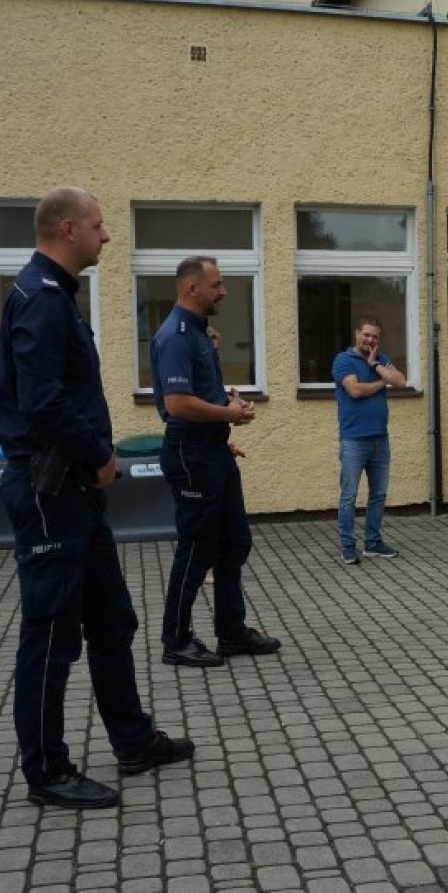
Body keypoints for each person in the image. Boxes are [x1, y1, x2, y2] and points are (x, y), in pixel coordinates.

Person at [0, 186, 193, 810]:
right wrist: (101, 454)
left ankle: (132, 740)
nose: (108, 237)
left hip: (76, 492)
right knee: (51, 636)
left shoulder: (53, 296)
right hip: (55, 488)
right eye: (101, 227)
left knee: (112, 619)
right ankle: (47, 770)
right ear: (69, 228)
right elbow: (43, 401)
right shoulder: (42, 300)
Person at [150, 255, 280, 667]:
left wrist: (227, 405)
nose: (223, 291)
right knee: (196, 548)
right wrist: (231, 414)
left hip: (212, 450)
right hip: (190, 453)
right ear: (192, 288)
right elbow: (178, 403)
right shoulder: (175, 335)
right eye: (217, 285)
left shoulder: (201, 334)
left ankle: (232, 633)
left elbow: (203, 392)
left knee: (234, 541)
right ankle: (177, 640)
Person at [333, 316, 407, 564]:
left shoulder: (380, 360)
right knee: (349, 496)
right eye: (366, 335)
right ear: (357, 334)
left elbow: (401, 381)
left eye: (375, 336)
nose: (370, 340)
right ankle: (348, 546)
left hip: (379, 440)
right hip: (353, 440)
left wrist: (375, 366)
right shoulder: (343, 360)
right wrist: (381, 380)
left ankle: (373, 543)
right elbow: (354, 391)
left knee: (378, 494)